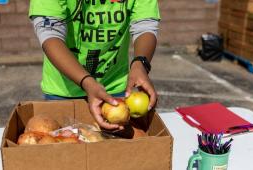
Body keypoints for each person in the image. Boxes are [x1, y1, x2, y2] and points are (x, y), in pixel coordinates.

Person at [29, 0, 160, 130]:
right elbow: (50, 35)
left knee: (116, 149)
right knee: (64, 146)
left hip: (114, 89)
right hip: (63, 91)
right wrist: (87, 82)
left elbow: (145, 26)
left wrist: (140, 63)